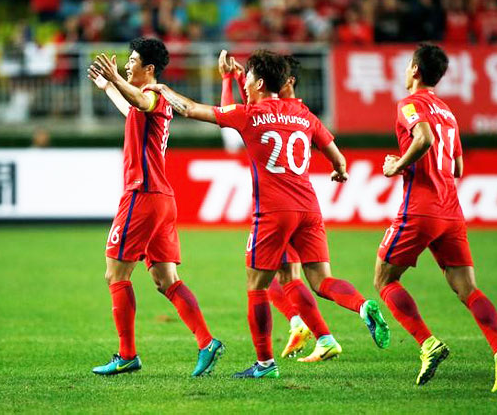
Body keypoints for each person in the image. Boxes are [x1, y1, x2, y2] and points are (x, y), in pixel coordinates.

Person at [147, 50, 390, 378]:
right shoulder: (302, 113)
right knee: (321, 280)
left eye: (247, 76)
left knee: (257, 286)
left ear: (259, 82)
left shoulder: (250, 115)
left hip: (274, 212)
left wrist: (162, 89)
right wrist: (340, 170)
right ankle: (362, 306)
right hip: (309, 208)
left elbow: (191, 109)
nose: (244, 82)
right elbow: (334, 153)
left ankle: (264, 364)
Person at [375, 43, 497, 391]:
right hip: (451, 211)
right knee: (467, 288)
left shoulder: (409, 105)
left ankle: (428, 343)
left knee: (384, 280)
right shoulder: (448, 112)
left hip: (420, 208)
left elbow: (422, 139)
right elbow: (458, 166)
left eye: (409, 64)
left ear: (415, 71)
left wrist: (397, 166)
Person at [87, 37, 224, 377]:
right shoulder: (148, 101)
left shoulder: (154, 94)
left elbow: (141, 99)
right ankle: (206, 341)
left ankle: (127, 354)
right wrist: (109, 87)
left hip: (142, 195)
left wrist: (117, 80)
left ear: (149, 68)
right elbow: (131, 108)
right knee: (166, 279)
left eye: (133, 60)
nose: (127, 64)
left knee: (115, 274)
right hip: (162, 198)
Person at [219, 51, 312, 360]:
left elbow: (236, 116)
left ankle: (316, 334)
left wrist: (228, 79)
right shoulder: (296, 112)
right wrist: (235, 78)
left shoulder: (284, 111)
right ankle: (301, 324)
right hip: (301, 206)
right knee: (280, 275)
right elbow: (249, 114)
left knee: (270, 277)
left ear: (288, 81)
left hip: (276, 208)